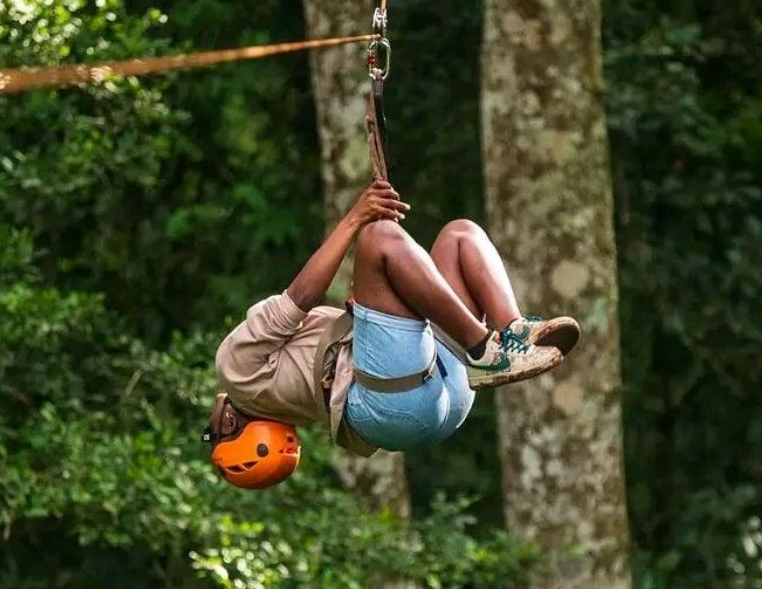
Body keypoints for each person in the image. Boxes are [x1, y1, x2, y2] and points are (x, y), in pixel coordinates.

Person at [203, 180, 579, 488]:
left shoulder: (276, 396)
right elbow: (300, 297)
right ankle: (485, 349)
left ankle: (513, 335)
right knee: (378, 237)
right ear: (230, 425)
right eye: (214, 431)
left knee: (458, 237)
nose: (212, 420)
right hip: (392, 403)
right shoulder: (234, 372)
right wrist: (355, 219)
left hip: (436, 405)